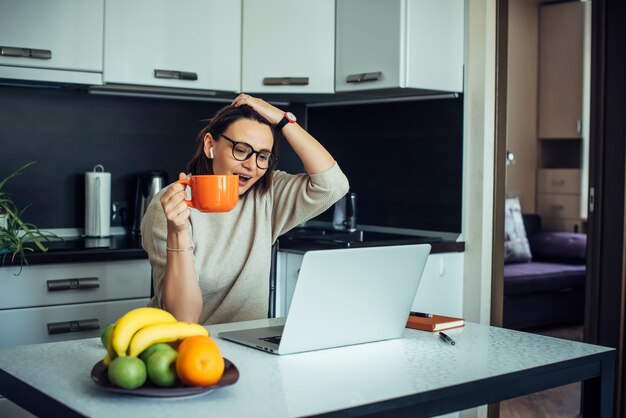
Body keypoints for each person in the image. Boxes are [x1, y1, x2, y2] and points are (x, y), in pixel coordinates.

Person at [141, 94, 349, 325]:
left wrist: (282, 120)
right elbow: (183, 318)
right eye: (241, 150)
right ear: (210, 145)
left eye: (263, 156)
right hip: (191, 346)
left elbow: (334, 185)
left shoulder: (267, 193)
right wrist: (177, 231)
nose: (251, 165)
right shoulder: (172, 206)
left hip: (248, 343)